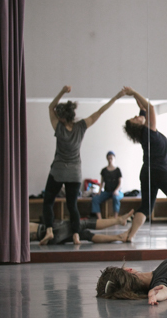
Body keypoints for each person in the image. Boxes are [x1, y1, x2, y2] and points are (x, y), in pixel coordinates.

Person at [40, 85, 126, 245]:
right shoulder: (81, 127)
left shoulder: (58, 127)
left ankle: (49, 230)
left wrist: (62, 91)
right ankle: (75, 235)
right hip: (75, 173)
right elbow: (100, 112)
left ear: (63, 118)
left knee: (48, 201)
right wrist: (116, 97)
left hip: (58, 171)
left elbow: (50, 106)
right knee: (72, 205)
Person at [121, 87, 167, 243]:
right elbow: (150, 108)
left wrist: (135, 99)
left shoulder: (144, 133)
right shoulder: (148, 131)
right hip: (160, 172)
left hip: (147, 172)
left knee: (146, 207)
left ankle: (130, 235)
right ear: (138, 125)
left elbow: (142, 109)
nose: (137, 116)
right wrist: (134, 92)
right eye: (135, 118)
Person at [31, 209, 134, 244]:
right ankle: (118, 220)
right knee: (84, 223)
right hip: (50, 231)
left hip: (51, 237)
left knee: (85, 235)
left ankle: (118, 237)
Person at [91, 151, 124, 219]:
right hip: (107, 192)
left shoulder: (118, 170)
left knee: (115, 197)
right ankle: (100, 219)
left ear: (114, 158)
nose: (110, 160)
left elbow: (121, 183)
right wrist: (99, 191)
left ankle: (115, 218)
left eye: (111, 158)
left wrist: (116, 190)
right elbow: (102, 182)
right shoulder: (104, 170)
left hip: (117, 192)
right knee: (95, 199)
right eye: (109, 158)